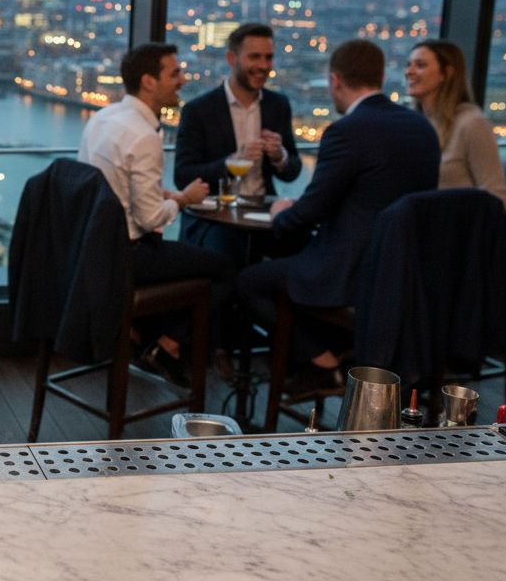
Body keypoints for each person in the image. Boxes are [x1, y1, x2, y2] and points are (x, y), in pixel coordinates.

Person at [236, 39, 440, 394]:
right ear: (381, 75)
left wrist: (280, 214)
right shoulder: (422, 128)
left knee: (250, 282)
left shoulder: (346, 131)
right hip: (408, 273)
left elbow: (312, 208)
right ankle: (338, 353)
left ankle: (323, 362)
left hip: (352, 271)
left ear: (335, 81)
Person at [78, 43, 232, 387]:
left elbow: (107, 187)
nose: (182, 79)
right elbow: (150, 220)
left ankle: (140, 338)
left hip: (93, 251)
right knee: (224, 269)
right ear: (149, 81)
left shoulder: (103, 118)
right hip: (127, 256)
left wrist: (164, 196)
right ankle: (166, 346)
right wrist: (184, 199)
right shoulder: (144, 135)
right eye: (174, 73)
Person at [174, 23, 302, 261]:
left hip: (263, 213)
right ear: (232, 58)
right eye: (255, 57)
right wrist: (231, 163)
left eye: (268, 58)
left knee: (305, 243)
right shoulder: (199, 110)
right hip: (213, 219)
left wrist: (279, 156)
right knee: (228, 252)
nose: (263, 66)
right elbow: (182, 175)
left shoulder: (278, 105)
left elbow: (292, 170)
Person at [405, 39, 506, 208]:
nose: (409, 71)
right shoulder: (416, 122)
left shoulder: (472, 123)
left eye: (420, 65)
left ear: (446, 73)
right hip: (416, 220)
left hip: (450, 226)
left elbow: (496, 197)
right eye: (408, 65)